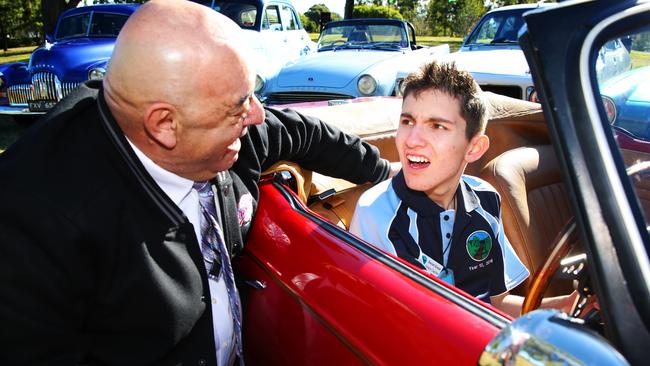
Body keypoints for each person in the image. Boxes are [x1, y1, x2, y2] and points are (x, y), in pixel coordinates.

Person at [0, 1, 392, 365]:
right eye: (239, 104)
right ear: (164, 125)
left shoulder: (228, 131)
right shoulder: (33, 227)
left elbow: (302, 133)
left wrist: (383, 175)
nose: (257, 115)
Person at [350, 61, 576, 317]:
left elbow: (496, 303)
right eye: (408, 121)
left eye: (437, 126)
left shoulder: (486, 199)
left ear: (474, 148)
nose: (412, 140)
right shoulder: (376, 213)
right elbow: (380, 320)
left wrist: (564, 306)